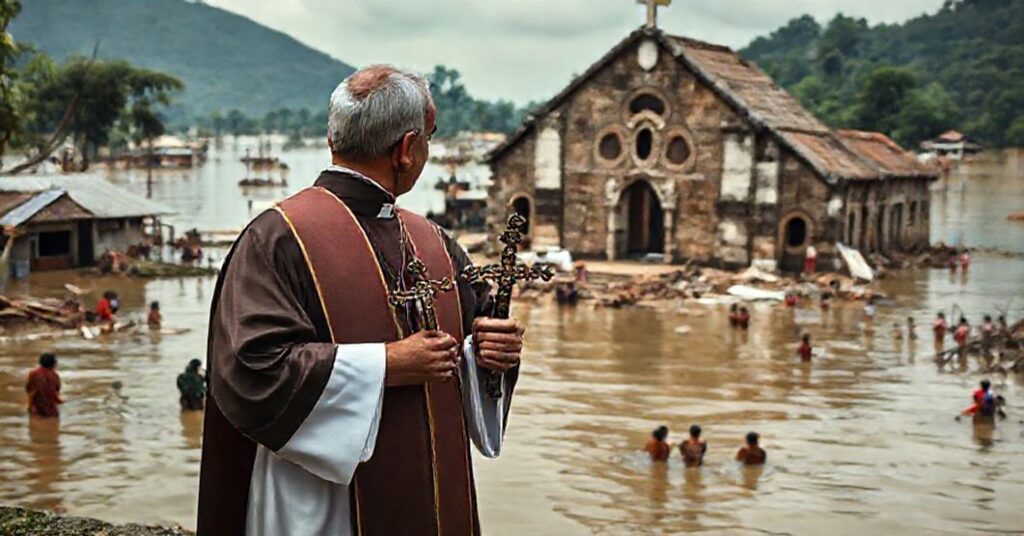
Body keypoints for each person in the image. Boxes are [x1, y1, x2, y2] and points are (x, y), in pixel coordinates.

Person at [197, 66, 527, 535]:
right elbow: (251, 368)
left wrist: (493, 351)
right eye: (430, 138)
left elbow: (475, 332)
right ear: (407, 150)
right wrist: (388, 364)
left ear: (334, 138)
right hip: (324, 503)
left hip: (431, 493)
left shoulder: (434, 241)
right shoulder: (282, 236)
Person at [26, 353, 62, 418]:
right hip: (52, 412)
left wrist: (29, 407)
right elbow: (55, 395)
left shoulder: (34, 374)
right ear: (53, 364)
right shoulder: (55, 376)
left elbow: (31, 392)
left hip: (37, 411)